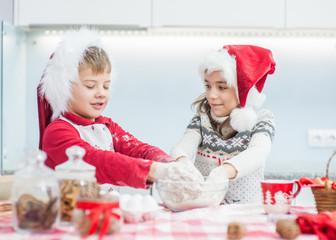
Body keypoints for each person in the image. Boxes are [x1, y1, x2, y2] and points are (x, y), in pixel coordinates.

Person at [37, 28, 201, 190]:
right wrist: (155, 170)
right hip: (69, 214)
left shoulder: (107, 127)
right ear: (63, 88)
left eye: (106, 86)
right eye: (90, 86)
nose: (101, 93)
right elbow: (97, 161)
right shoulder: (57, 133)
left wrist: (173, 165)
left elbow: (138, 150)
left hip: (102, 213)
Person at [170, 45, 276, 204]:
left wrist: (222, 172)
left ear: (243, 90)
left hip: (246, 214)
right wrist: (183, 162)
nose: (212, 95)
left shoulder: (261, 120)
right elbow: (182, 147)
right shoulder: (201, 120)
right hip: (206, 209)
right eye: (208, 86)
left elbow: (258, 154)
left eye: (222, 87)